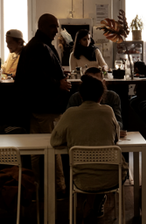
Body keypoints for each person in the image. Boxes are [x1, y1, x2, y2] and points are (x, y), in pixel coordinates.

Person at [51, 75, 127, 219]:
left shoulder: (70, 113)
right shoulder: (108, 111)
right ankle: (95, 201)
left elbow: (54, 141)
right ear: (101, 96)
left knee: (91, 170)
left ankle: (90, 202)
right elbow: (116, 137)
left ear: (80, 96)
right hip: (112, 178)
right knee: (107, 168)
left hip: (81, 179)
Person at [16, 13, 71, 196]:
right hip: (46, 106)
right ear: (42, 26)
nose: (56, 30)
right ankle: (58, 188)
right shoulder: (40, 47)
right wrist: (59, 83)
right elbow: (36, 77)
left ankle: (37, 187)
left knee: (36, 149)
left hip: (36, 106)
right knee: (52, 147)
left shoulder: (37, 45)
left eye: (56, 26)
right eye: (52, 26)